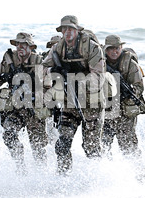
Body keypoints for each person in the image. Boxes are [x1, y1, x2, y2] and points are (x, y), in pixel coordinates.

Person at [42, 15, 106, 174]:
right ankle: (64, 179)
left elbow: (98, 77)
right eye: (64, 29)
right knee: (62, 145)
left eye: (71, 28)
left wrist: (78, 81)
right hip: (70, 104)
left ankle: (101, 179)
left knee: (91, 148)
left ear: (77, 30)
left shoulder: (92, 48)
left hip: (92, 104)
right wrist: (53, 72)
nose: (67, 32)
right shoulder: (57, 48)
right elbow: (41, 70)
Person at [0, 32, 48, 175]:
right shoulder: (8, 59)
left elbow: (48, 86)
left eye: (24, 44)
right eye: (18, 44)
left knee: (38, 146)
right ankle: (20, 166)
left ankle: (41, 175)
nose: (20, 47)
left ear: (31, 47)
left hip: (34, 110)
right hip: (15, 108)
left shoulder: (38, 61)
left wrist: (34, 94)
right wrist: (5, 78)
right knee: (9, 135)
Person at [102, 35, 145, 157]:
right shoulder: (100, 63)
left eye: (117, 48)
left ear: (121, 47)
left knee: (128, 145)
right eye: (110, 49)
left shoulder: (130, 64)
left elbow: (139, 87)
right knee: (104, 144)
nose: (114, 51)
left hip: (125, 110)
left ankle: (136, 170)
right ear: (106, 50)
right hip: (107, 108)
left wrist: (127, 92)